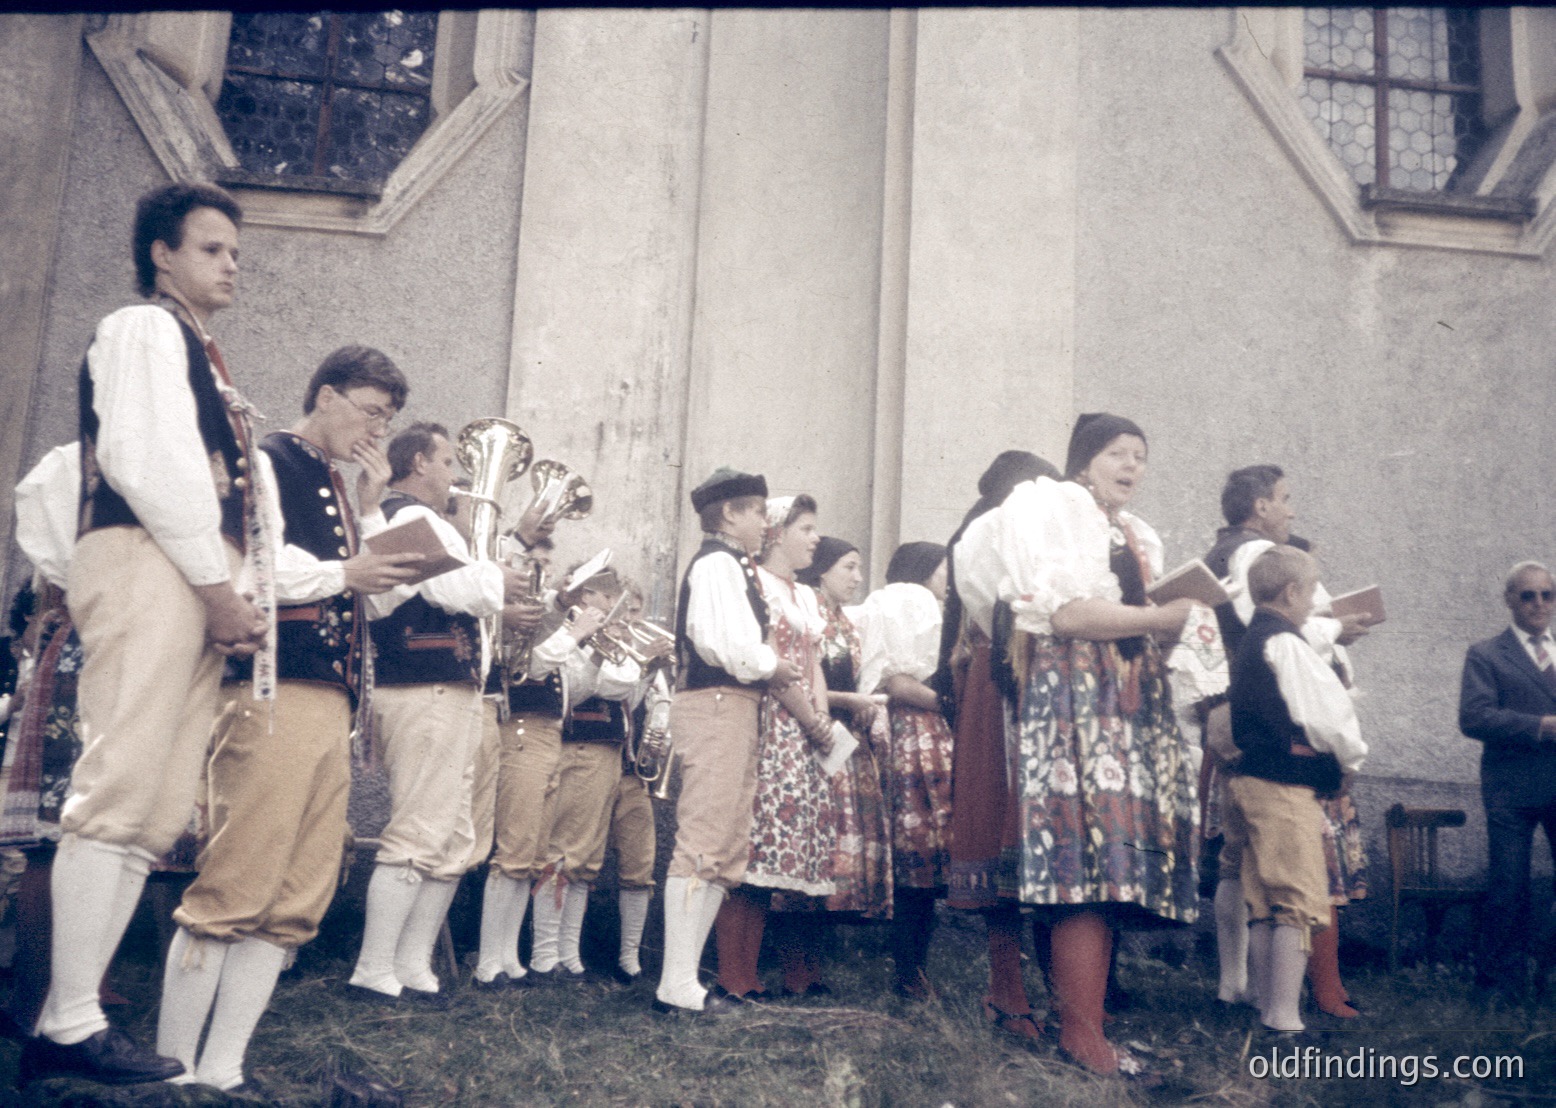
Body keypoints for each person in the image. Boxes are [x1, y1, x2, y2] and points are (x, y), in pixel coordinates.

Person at [22, 182, 271, 1087]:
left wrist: (238, 591)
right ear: (162, 254)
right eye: (212, 249)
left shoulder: (207, 358)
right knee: (120, 785)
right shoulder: (141, 329)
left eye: (236, 253)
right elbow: (146, 461)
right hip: (149, 560)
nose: (231, 265)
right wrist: (215, 586)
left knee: (159, 810)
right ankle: (70, 1021)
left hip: (191, 573)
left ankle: (69, 1020)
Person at [155, 347, 422, 1090]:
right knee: (236, 885)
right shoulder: (269, 459)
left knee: (296, 896)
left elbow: (387, 596)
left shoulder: (340, 487)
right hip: (271, 692)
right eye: (371, 412)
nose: (378, 431)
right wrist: (345, 572)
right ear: (327, 395)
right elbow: (252, 567)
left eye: (388, 420)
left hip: (327, 698)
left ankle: (224, 1070)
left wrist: (372, 507)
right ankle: (176, 1072)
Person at [966, 413, 1198, 1076]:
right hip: (1076, 699)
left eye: (1141, 457)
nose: (1131, 466)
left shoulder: (1128, 529)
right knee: (1081, 864)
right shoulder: (1054, 505)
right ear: (1083, 461)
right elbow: (1065, 612)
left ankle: (1089, 1025)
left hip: (1124, 702)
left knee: (1113, 861)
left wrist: (1178, 626)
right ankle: (1080, 1033)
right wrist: (1160, 618)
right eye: (1117, 454)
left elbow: (1131, 617)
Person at [349, 423, 522, 1001]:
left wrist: (481, 565)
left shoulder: (433, 525)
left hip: (450, 689)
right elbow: (462, 593)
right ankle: (374, 968)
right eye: (448, 461)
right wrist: (495, 572)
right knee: (420, 829)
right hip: (422, 689)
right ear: (419, 462)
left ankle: (411, 964)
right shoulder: (403, 518)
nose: (456, 475)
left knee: (452, 834)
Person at [1203, 465, 1371, 1017]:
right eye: (1285, 499)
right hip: (1285, 779)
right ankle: (1283, 1012)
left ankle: (1250, 993)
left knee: (1257, 893)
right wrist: (1350, 757)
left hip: (1248, 773)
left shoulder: (1255, 629)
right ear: (1295, 592)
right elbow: (1324, 710)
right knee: (1298, 897)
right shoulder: (1283, 637)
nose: (1291, 509)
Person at [653, 468, 801, 1016]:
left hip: (733, 706)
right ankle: (676, 984)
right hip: (716, 703)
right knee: (705, 841)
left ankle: (684, 980)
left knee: (725, 847)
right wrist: (771, 663)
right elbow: (721, 643)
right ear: (730, 514)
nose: (766, 522)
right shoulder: (718, 563)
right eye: (759, 511)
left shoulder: (733, 564)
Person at [940, 450, 1059, 1036]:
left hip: (1048, 682)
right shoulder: (984, 533)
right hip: (1008, 681)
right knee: (1000, 837)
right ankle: (1006, 989)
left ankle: (1072, 995)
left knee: (1054, 845)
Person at [714, 495, 841, 1001]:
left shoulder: (805, 595)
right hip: (772, 722)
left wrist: (825, 716)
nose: (814, 538)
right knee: (753, 849)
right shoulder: (757, 585)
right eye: (806, 527)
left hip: (806, 730)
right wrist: (812, 720)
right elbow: (771, 665)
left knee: (780, 855)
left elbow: (814, 665)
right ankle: (734, 972)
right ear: (777, 533)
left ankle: (764, 972)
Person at [526, 559, 646, 979]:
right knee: (561, 853)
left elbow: (626, 684)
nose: (614, 604)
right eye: (605, 593)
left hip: (607, 752)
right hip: (577, 744)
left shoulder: (606, 634)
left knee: (586, 859)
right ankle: (544, 954)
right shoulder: (564, 629)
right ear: (582, 595)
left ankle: (567, 952)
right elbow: (582, 689)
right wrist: (593, 647)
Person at [851, 542, 955, 999]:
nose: (947, 581)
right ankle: (909, 970)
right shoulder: (907, 600)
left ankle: (912, 967)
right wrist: (950, 703)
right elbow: (897, 680)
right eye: (943, 572)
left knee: (923, 857)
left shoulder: (913, 602)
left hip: (923, 733)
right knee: (919, 853)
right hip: (917, 734)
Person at [1459, 560, 1556, 1002]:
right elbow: (1474, 717)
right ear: (1509, 601)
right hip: (1510, 789)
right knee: (1509, 887)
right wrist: (1541, 726)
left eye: (1546, 594)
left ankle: (1548, 978)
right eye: (1527, 595)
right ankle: (1499, 986)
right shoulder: (1486, 654)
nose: (1538, 604)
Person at [792, 538, 891, 923]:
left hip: (846, 739)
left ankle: (826, 940)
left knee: (841, 837)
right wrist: (850, 701)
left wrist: (863, 705)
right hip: (815, 731)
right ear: (822, 570)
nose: (857, 577)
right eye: (848, 567)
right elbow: (801, 683)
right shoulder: (807, 613)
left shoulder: (848, 623)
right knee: (816, 835)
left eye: (859, 568)